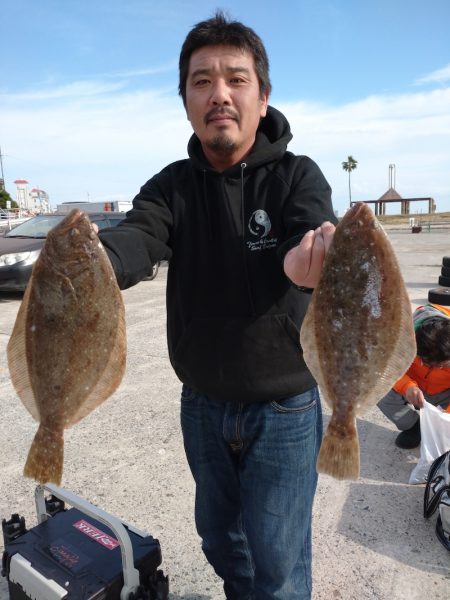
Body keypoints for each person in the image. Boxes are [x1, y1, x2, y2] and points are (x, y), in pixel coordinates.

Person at [98, 12, 337, 600]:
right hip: (202, 404)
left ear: (262, 96)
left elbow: (308, 235)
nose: (219, 94)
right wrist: (98, 262)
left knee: (278, 560)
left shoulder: (296, 176)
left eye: (236, 78)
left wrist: (306, 265)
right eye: (201, 81)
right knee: (218, 538)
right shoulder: (172, 186)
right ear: (185, 100)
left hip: (283, 408)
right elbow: (140, 234)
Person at [378, 303, 450, 449]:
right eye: (428, 363)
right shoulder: (398, 336)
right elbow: (385, 367)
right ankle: (414, 427)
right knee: (376, 387)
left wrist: (444, 423)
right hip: (414, 389)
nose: (438, 369)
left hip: (445, 397)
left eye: (443, 365)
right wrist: (407, 386)